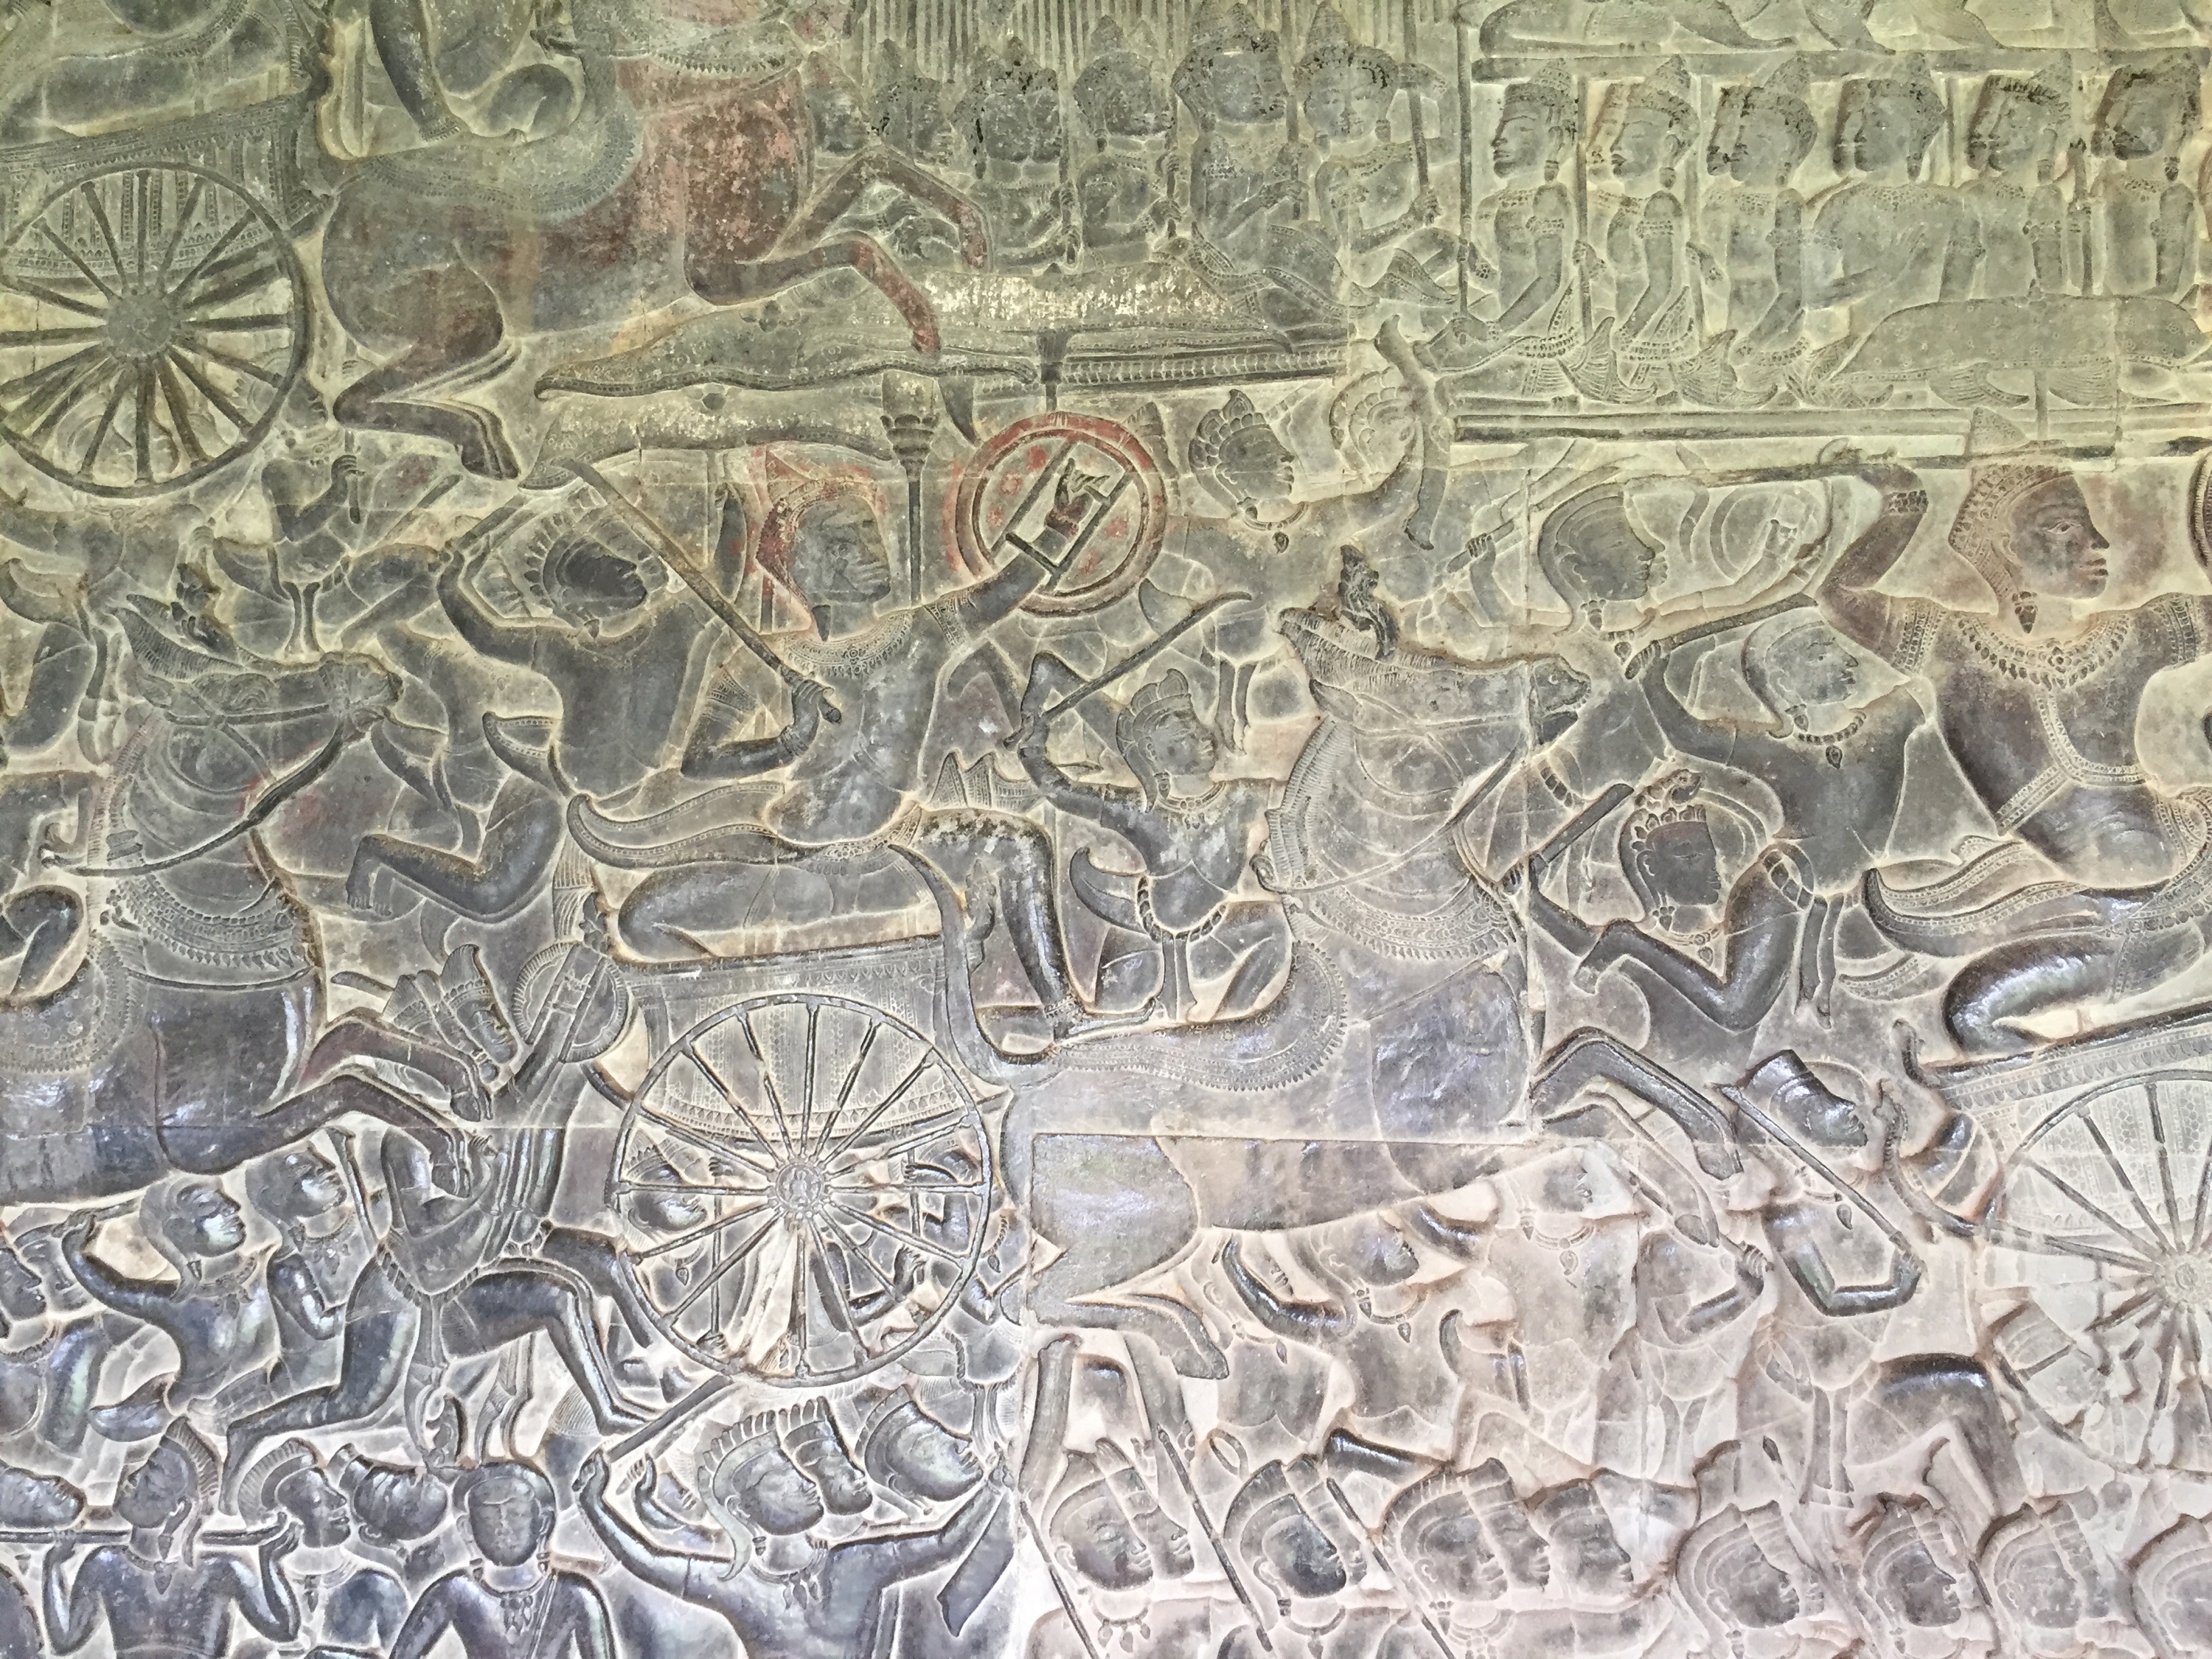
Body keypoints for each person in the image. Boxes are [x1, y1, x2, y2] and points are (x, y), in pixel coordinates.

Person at [598, 453, 1110, 1044]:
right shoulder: (766, 657)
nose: (874, 548)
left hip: (898, 849)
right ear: (805, 567)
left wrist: (1062, 524)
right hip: (790, 861)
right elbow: (698, 761)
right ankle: (735, 1025)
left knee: (1022, 845)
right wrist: (787, 743)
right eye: (847, 540)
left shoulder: (920, 634)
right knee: (639, 919)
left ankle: (1063, 1015)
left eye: (872, 530)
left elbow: (1008, 589)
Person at [1816, 458, 2212, 1051]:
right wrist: (1904, 504)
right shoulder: (1953, 646)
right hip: (2089, 897)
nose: (2097, 543)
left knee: (1973, 1016)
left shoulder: (2130, 634)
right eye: (2065, 527)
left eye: (2089, 527)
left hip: (2175, 891)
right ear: (2007, 545)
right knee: (1874, 930)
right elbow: (1840, 595)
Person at [346, 513, 717, 922]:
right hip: (551, 788)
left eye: (618, 559)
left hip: (643, 793)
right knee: (489, 894)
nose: (624, 567)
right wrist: (450, 586)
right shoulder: (567, 651)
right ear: (574, 602)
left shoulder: (674, 622)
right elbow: (487, 637)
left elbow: (727, 578)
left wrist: (728, 506)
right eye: (601, 564)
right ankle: (376, 851)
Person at [574, 1406, 1009, 1659]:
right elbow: (648, 1561)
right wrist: (593, 1505)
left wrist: (994, 1487)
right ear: (742, 1510)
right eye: (779, 1478)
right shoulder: (740, 1587)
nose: (804, 1482)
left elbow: (945, 1543)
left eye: (795, 1470)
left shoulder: (856, 1563)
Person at [1018, 662, 1287, 1020]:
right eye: (1185, 736)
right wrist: (1032, 748)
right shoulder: (1142, 811)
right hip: (1144, 945)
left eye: (1197, 727)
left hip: (1215, 936)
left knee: (1275, 927)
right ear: (1156, 755)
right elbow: (1061, 793)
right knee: (1109, 1026)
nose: (1203, 738)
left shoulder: (1242, 797)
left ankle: (1229, 1025)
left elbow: (1302, 791)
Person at [46, 1421, 302, 1659]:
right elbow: (65, 1641)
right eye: (142, 1469)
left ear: (178, 1509)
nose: (133, 1479)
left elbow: (284, 1630)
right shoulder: (105, 1564)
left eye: (150, 1477)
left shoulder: (222, 1570)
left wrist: (270, 1563)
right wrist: (53, 1567)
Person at [61, 1178, 275, 1412]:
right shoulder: (178, 1304)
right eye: (207, 1205)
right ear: (177, 1232)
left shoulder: (274, 1267)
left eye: (224, 1198)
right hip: (190, 1410)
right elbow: (113, 1290)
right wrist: (74, 1252)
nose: (232, 1207)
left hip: (254, 1399)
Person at [387, 1461, 614, 1659]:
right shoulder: (455, 1592)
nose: (502, 1527)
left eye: (515, 1514)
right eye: (488, 1517)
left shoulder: (577, 1596)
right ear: (468, 1529)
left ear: (544, 1522)